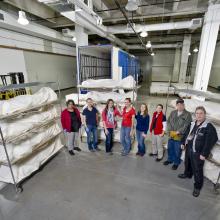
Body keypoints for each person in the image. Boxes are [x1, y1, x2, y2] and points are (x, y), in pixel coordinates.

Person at [178, 106, 218, 197]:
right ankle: (187, 174)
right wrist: (183, 142)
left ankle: (197, 187)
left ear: (204, 115)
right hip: (189, 148)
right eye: (197, 113)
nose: (199, 115)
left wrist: (204, 153)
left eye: (201, 113)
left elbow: (211, 140)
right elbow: (186, 133)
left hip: (198, 152)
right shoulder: (192, 123)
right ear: (195, 115)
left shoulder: (208, 126)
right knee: (187, 163)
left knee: (197, 170)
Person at [164, 98, 192, 170]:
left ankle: (176, 163)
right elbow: (169, 121)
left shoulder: (187, 115)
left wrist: (178, 132)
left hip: (179, 136)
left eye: (181, 105)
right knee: (170, 148)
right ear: (176, 105)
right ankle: (170, 160)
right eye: (178, 105)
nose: (179, 106)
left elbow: (186, 125)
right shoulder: (173, 112)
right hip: (171, 134)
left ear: (184, 105)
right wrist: (170, 131)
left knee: (177, 150)